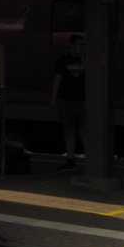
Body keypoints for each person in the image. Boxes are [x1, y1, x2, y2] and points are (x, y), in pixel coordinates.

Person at [49, 34, 86, 170]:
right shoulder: (63, 61)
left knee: (83, 130)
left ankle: (87, 159)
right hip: (65, 99)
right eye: (79, 45)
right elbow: (57, 79)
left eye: (83, 45)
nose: (82, 48)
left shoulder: (86, 60)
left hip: (81, 100)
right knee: (69, 131)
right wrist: (54, 98)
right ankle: (70, 159)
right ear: (72, 45)